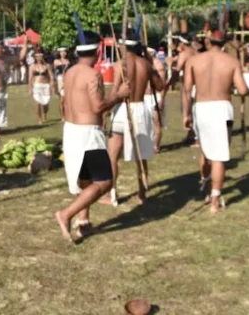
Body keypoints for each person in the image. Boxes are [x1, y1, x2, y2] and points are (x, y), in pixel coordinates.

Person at [55, 30, 130, 242]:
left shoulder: (69, 72)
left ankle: (83, 222)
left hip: (71, 130)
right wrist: (118, 95)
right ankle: (66, 214)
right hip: (88, 134)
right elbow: (98, 106)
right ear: (97, 51)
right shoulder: (92, 75)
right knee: (105, 182)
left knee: (87, 180)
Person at [183, 30, 248, 213]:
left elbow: (186, 90)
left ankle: (206, 185)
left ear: (209, 42)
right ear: (224, 43)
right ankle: (214, 200)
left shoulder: (194, 61)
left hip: (201, 109)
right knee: (219, 155)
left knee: (205, 150)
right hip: (222, 110)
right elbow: (242, 89)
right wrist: (242, 90)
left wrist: (186, 114)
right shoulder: (232, 62)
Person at [107, 34, 160, 204]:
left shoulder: (120, 64)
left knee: (113, 155)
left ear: (123, 46)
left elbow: (115, 92)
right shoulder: (146, 64)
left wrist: (106, 109)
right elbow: (160, 85)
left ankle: (112, 192)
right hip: (140, 109)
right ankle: (142, 192)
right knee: (141, 155)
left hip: (123, 109)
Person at [170, 36, 199, 147]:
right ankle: (191, 135)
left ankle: (196, 137)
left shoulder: (184, 54)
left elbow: (177, 71)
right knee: (192, 110)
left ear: (182, 44)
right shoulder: (194, 52)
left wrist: (169, 83)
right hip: (196, 84)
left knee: (190, 111)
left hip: (189, 85)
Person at [144, 46, 167, 154]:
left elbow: (162, 84)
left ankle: (155, 146)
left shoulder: (158, 64)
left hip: (155, 96)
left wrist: (161, 99)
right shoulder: (142, 63)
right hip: (143, 97)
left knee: (156, 122)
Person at [28, 50, 56, 124]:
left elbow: (51, 76)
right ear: (35, 57)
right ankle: (39, 119)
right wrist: (30, 88)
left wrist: (52, 86)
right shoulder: (32, 66)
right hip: (36, 85)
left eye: (40, 56)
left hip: (46, 85)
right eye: (37, 56)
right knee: (37, 103)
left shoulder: (47, 66)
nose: (39, 58)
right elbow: (30, 78)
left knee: (45, 104)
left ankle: (45, 114)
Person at [54, 47, 71, 120]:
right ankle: (62, 116)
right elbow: (58, 69)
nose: (63, 53)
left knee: (68, 99)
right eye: (62, 52)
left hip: (68, 79)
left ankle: (68, 114)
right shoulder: (56, 61)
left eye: (65, 52)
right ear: (59, 53)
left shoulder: (69, 61)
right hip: (60, 79)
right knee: (62, 99)